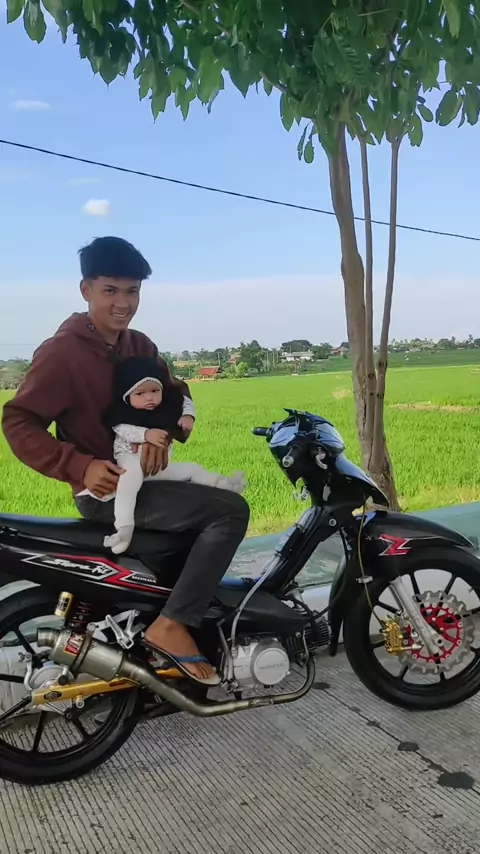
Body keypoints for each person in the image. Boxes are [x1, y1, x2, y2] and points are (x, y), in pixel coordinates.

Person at [2, 236, 249, 685]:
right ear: (86, 290)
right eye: (110, 290)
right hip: (108, 493)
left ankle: (172, 641)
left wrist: (165, 432)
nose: (123, 303)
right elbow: (19, 422)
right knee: (229, 511)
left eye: (132, 291)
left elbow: (174, 394)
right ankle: (170, 627)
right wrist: (79, 466)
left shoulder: (139, 345)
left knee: (203, 508)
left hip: (148, 480)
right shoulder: (62, 353)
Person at [97, 354, 246, 554]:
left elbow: (185, 402)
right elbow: (122, 430)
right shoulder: (122, 413)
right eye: (140, 393)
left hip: (158, 468)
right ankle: (124, 528)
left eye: (155, 391)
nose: (149, 397)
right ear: (127, 396)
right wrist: (146, 434)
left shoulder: (168, 405)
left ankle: (225, 485)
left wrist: (188, 416)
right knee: (129, 480)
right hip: (130, 460)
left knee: (191, 469)